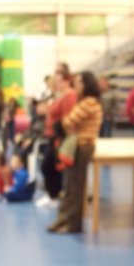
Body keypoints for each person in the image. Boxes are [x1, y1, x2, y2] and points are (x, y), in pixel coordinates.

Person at [47, 71, 103, 234]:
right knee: (70, 186)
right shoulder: (85, 102)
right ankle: (63, 218)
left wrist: (65, 122)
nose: (75, 86)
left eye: (78, 83)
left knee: (76, 186)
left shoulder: (89, 103)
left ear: (86, 85)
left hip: (83, 146)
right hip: (79, 145)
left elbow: (68, 122)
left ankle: (73, 224)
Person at [38, 63, 77, 207]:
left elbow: (67, 118)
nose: (56, 82)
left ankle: (54, 195)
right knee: (52, 166)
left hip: (59, 136)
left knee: (48, 165)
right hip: (52, 134)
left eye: (59, 79)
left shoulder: (69, 95)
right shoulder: (60, 95)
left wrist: (61, 136)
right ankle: (54, 194)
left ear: (66, 79)